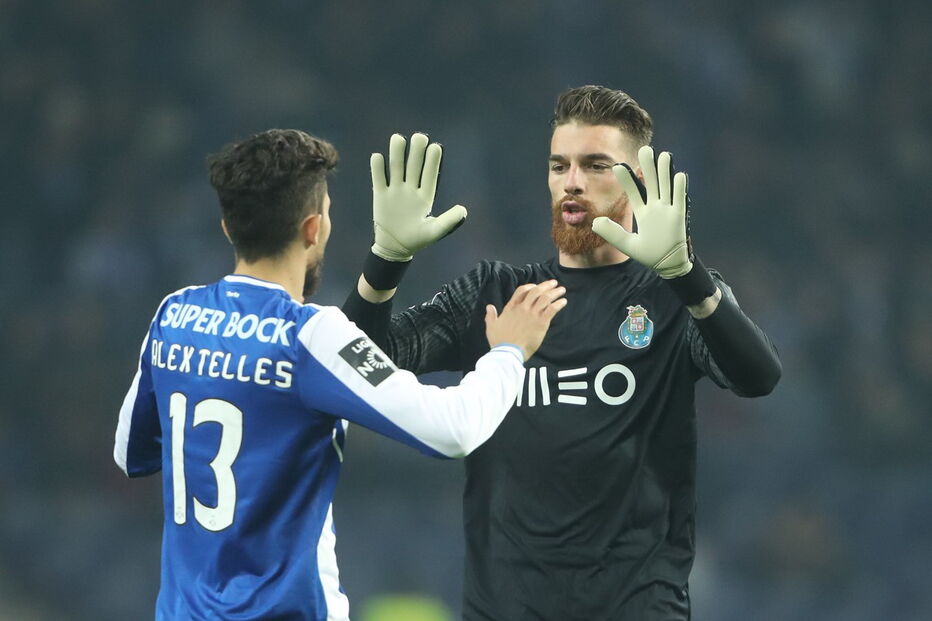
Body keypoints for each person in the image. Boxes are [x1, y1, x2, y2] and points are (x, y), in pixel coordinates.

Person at [342, 86, 782, 620]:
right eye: (559, 165)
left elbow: (757, 377)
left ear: (638, 183)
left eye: (595, 165)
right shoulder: (495, 293)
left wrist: (685, 274)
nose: (571, 182)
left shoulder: (674, 297)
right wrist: (384, 262)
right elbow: (356, 364)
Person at [113, 128, 566, 620]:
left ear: (227, 227)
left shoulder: (174, 315)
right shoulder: (309, 334)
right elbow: (453, 429)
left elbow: (129, 452)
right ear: (314, 228)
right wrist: (508, 352)